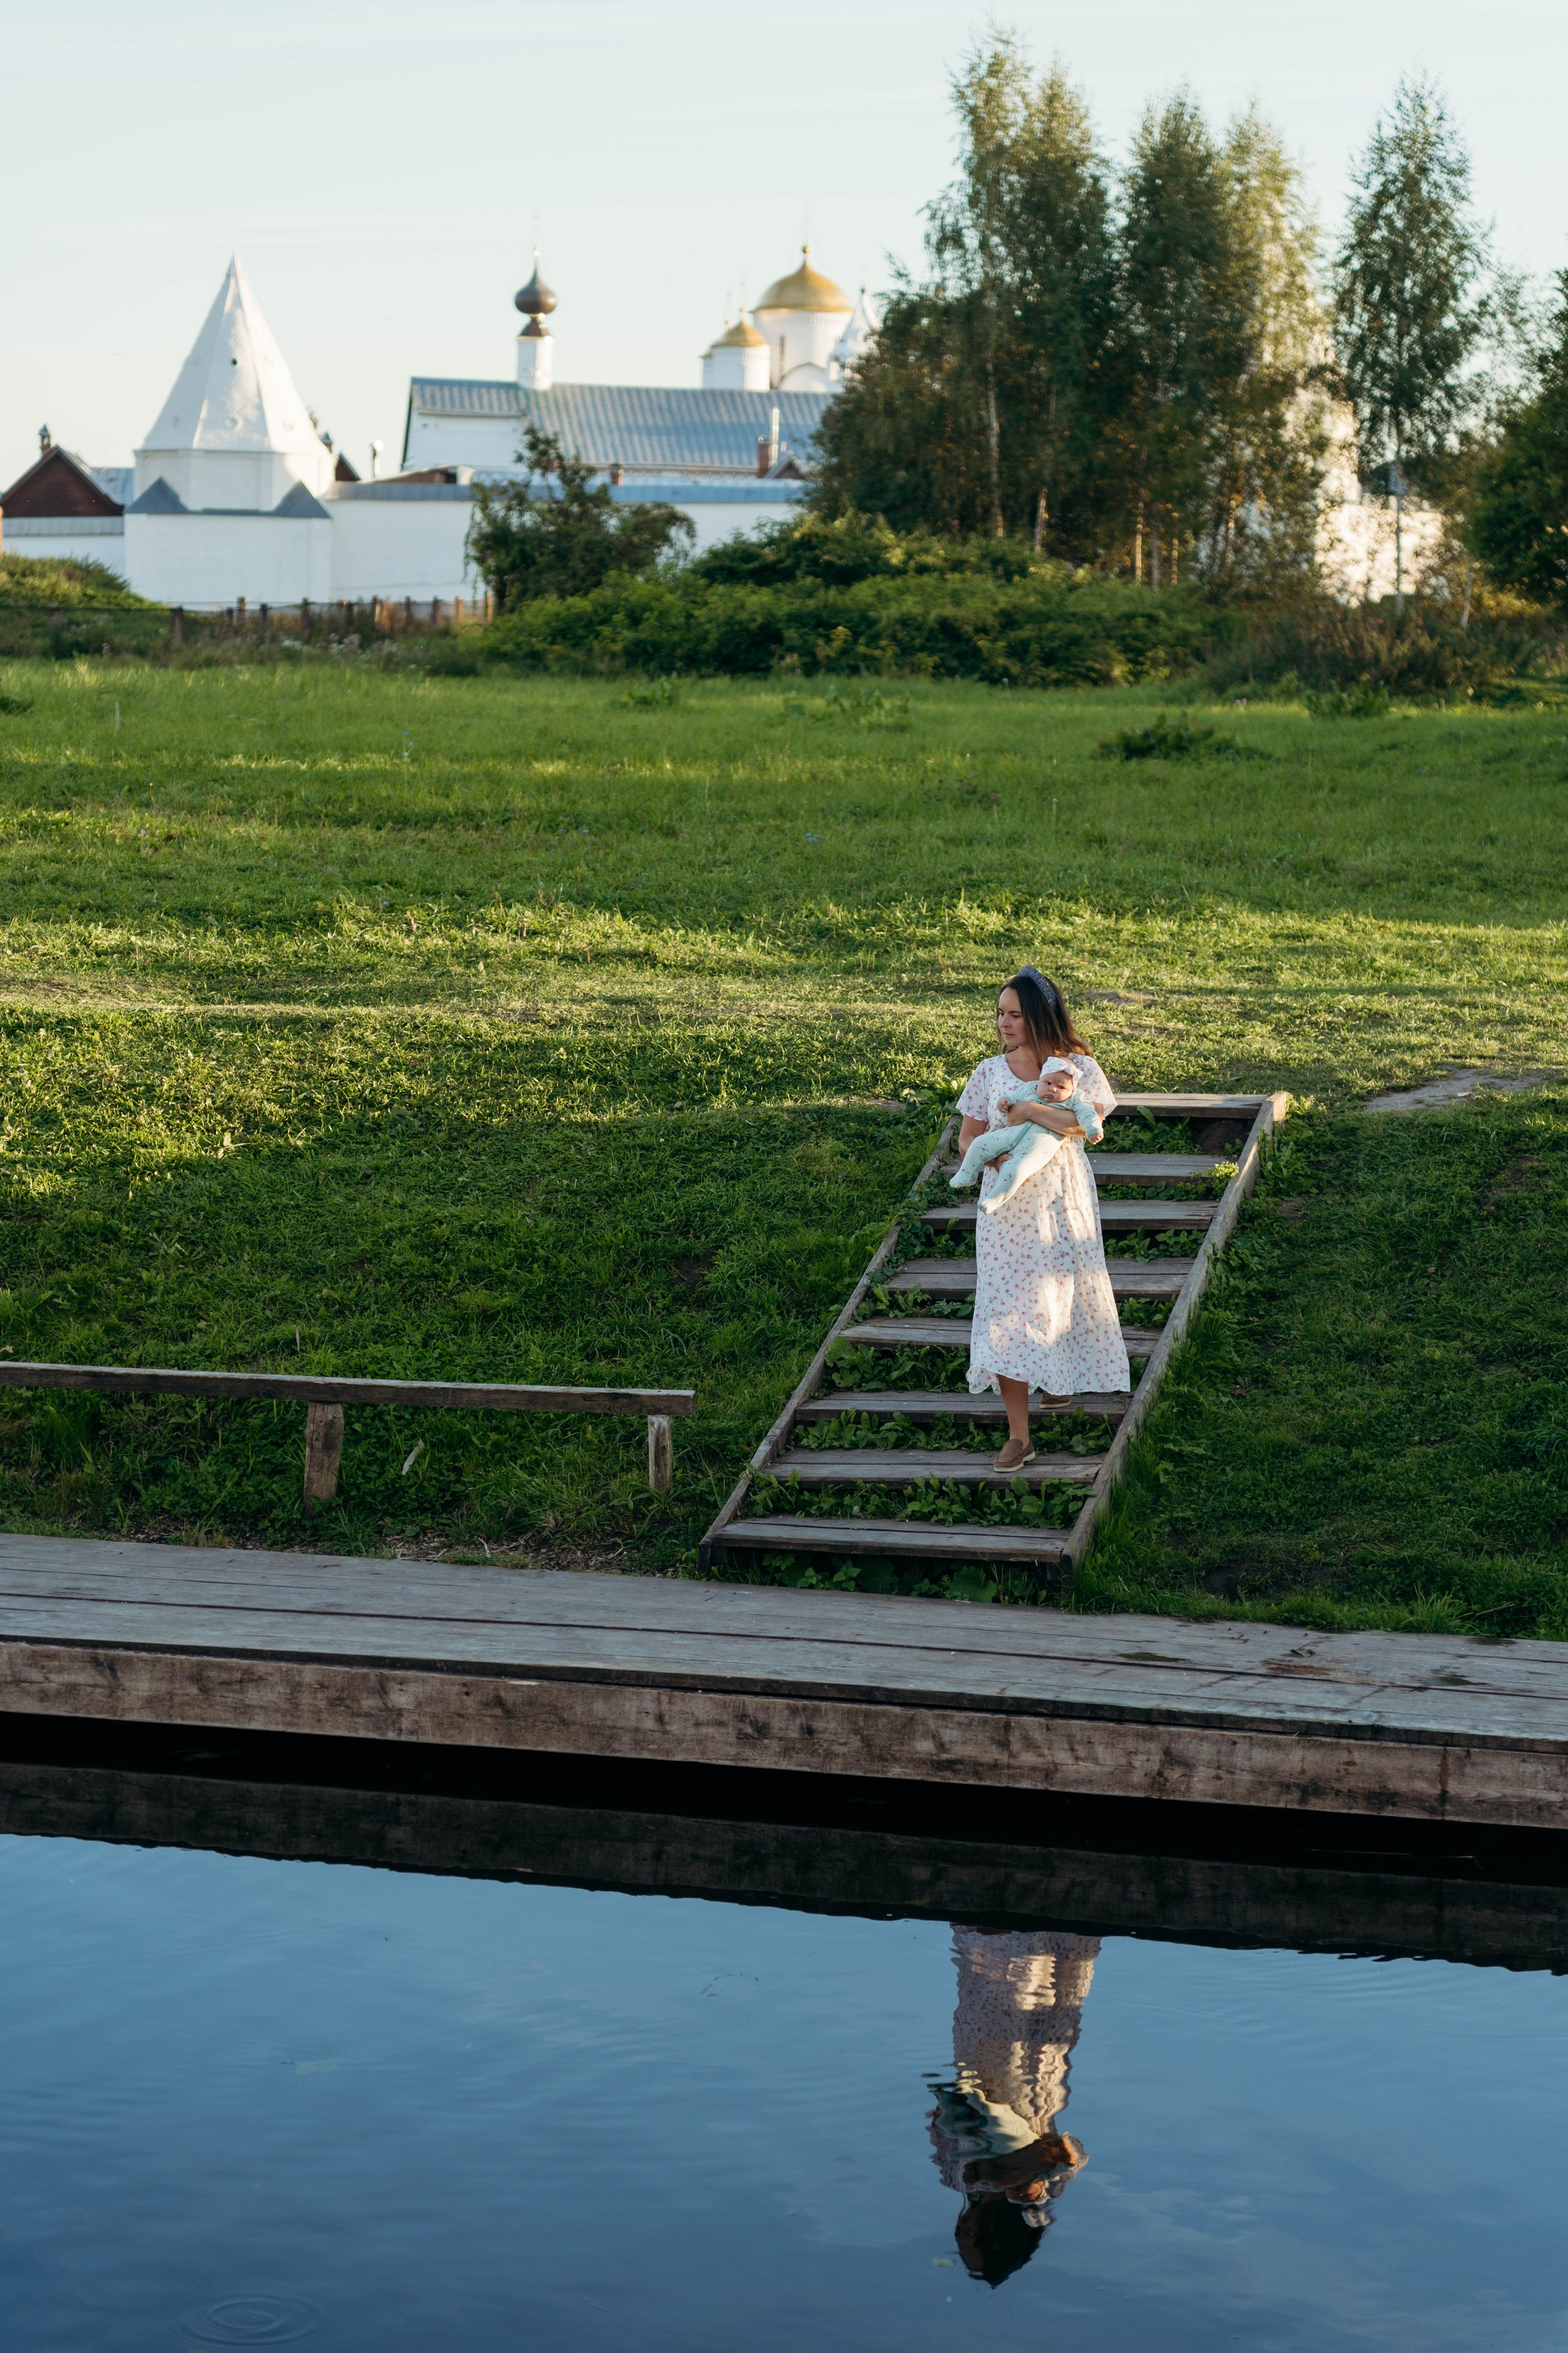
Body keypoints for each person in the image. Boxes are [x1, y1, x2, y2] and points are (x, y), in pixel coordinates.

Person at [954, 968, 1131, 1473]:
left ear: (1037, 1015)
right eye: (1000, 1014)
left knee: (1058, 1298)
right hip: (1005, 1210)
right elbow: (968, 1137)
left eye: (1014, 1014)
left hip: (1060, 1203)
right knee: (1006, 1312)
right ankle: (1019, 1436)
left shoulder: (1078, 1069)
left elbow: (1086, 1125)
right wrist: (988, 1158)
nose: (1004, 1023)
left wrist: (1029, 1109)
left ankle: (1056, 1379)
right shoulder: (988, 1072)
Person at [928, 1927, 1100, 2287]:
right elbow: (1073, 2151)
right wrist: (1027, 2183)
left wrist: (1005, 2166)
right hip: (1044, 2086)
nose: (964, 2226)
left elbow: (938, 2120)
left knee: (998, 1987)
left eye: (960, 2234)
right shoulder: (1043, 2193)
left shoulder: (955, 2179)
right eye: (973, 2237)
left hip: (986, 2071)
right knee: (1058, 1988)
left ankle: (994, 1921)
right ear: (1001, 2235)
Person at [948, 1059, 1106, 1210]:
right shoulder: (1031, 1088)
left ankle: (996, 1197)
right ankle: (966, 1174)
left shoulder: (1075, 1099)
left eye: (1061, 1087)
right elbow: (1014, 1097)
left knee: (1017, 1168)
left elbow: (1088, 1113)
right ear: (1041, 1079)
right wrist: (1005, 1101)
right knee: (980, 1143)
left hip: (1040, 1144)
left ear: (1072, 1089)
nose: (1053, 1089)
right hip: (1011, 1133)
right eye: (1048, 1083)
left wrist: (1093, 1130)